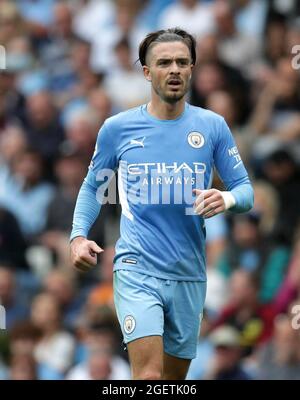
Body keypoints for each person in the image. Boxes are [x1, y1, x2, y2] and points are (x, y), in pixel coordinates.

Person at [70, 28, 253, 380]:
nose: (174, 70)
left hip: (189, 274)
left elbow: (245, 190)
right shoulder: (117, 128)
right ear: (146, 72)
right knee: (149, 378)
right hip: (137, 268)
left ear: (192, 69)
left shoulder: (212, 126)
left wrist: (226, 198)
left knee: (171, 382)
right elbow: (94, 187)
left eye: (183, 62)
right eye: (165, 62)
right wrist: (78, 236)